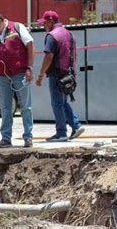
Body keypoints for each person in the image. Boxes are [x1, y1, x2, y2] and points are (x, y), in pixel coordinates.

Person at [0, 10, 35, 148]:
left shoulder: (17, 28)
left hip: (20, 73)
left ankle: (28, 137)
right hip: (3, 77)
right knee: (5, 108)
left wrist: (29, 68)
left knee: (26, 106)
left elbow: (30, 45)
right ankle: (6, 138)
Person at [35, 11, 85, 142]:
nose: (43, 25)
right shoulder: (69, 33)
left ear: (51, 22)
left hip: (57, 75)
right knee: (62, 102)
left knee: (57, 104)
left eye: (44, 22)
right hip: (68, 75)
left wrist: (40, 75)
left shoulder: (52, 36)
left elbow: (49, 56)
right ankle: (76, 125)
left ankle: (61, 133)